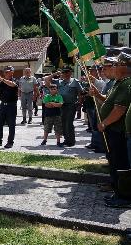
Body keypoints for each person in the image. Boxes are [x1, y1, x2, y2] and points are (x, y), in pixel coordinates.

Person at [90, 53, 131, 208]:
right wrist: (98, 95)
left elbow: (119, 109)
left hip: (117, 131)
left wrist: (105, 123)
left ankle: (124, 196)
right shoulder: (117, 83)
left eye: (115, 65)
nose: (112, 68)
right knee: (113, 161)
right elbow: (108, 100)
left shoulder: (127, 83)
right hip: (111, 130)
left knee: (120, 163)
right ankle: (117, 191)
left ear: (124, 67)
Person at [45, 66, 83, 147]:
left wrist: (79, 104)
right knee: (63, 123)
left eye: (67, 72)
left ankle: (71, 141)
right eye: (63, 72)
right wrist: (55, 74)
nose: (65, 74)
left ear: (70, 73)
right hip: (61, 105)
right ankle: (66, 140)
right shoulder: (59, 82)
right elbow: (46, 80)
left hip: (71, 105)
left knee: (69, 123)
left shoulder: (75, 81)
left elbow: (80, 92)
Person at [0, 66, 18, 149]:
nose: (5, 73)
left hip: (11, 105)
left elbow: (12, 85)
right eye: (5, 71)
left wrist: (2, 79)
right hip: (3, 105)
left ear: (12, 72)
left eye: (7, 72)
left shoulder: (15, 80)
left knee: (11, 125)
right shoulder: (2, 82)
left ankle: (10, 142)